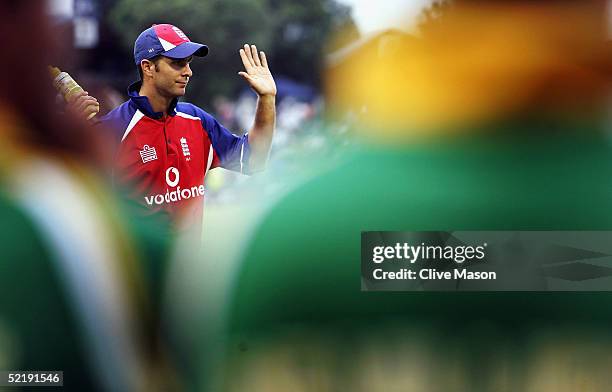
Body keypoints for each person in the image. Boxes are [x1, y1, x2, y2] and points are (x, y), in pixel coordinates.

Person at [73, 24, 276, 232]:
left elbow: (254, 160)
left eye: (188, 63)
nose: (188, 72)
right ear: (148, 67)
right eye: (177, 63)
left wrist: (267, 99)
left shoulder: (198, 120)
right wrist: (74, 135)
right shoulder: (112, 128)